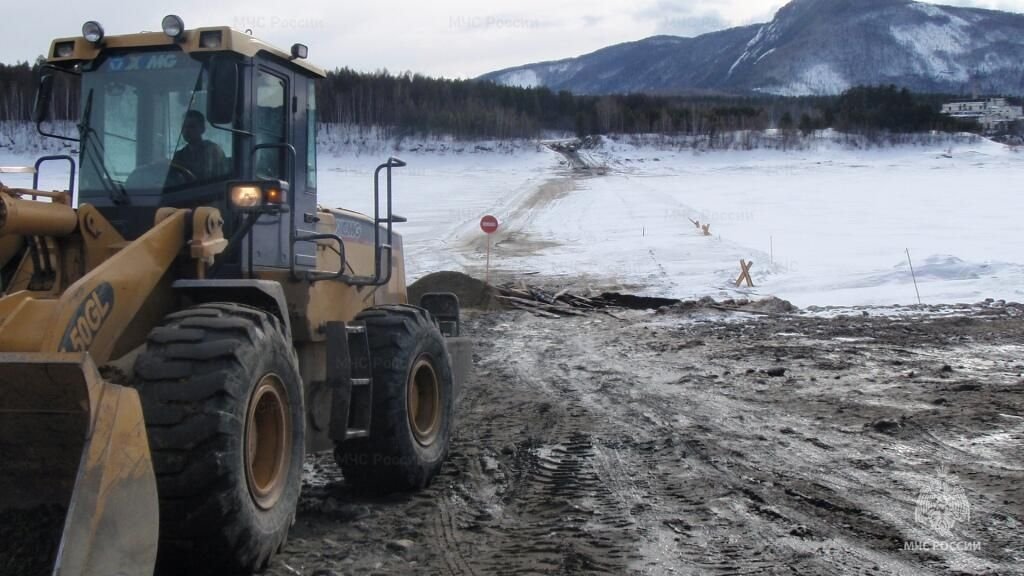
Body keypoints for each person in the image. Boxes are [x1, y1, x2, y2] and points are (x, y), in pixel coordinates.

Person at [172, 110, 227, 181]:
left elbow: (218, 179)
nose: (186, 130)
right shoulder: (179, 155)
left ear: (202, 129)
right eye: (184, 126)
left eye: (191, 126)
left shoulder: (213, 151)